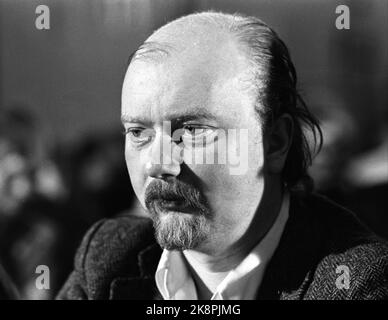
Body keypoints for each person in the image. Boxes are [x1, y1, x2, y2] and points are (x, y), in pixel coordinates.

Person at [58, 11, 388, 300]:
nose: (156, 163)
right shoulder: (109, 257)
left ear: (274, 142)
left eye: (192, 130)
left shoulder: (358, 282)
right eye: (137, 132)